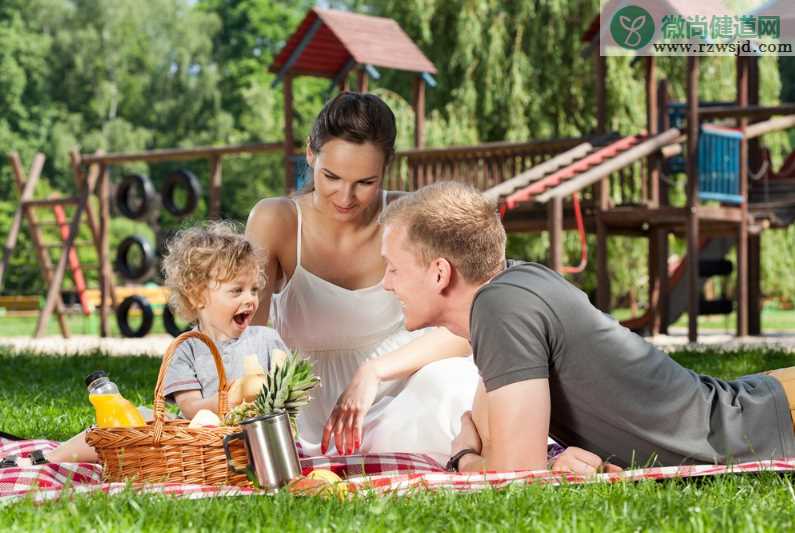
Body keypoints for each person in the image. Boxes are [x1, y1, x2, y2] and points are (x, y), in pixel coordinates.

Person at [379, 180, 795, 474]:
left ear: (439, 274)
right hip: (761, 410)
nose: (387, 282)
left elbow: (513, 473)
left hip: (770, 423)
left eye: (394, 268)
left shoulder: (500, 306)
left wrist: (463, 456)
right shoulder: (508, 294)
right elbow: (501, 438)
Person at [245, 92, 481, 463]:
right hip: (310, 416)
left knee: (457, 384)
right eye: (331, 177)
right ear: (311, 153)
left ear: (387, 166)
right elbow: (246, 342)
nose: (345, 197)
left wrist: (372, 373)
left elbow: (465, 329)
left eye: (365, 182)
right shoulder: (276, 220)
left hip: (401, 394)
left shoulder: (410, 216)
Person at [0, 222, 287, 466]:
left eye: (254, 289)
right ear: (198, 296)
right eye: (237, 290)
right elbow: (190, 410)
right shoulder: (187, 349)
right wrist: (234, 398)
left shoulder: (267, 341)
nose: (250, 299)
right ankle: (50, 459)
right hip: (195, 442)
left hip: (257, 440)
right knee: (136, 417)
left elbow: (291, 396)